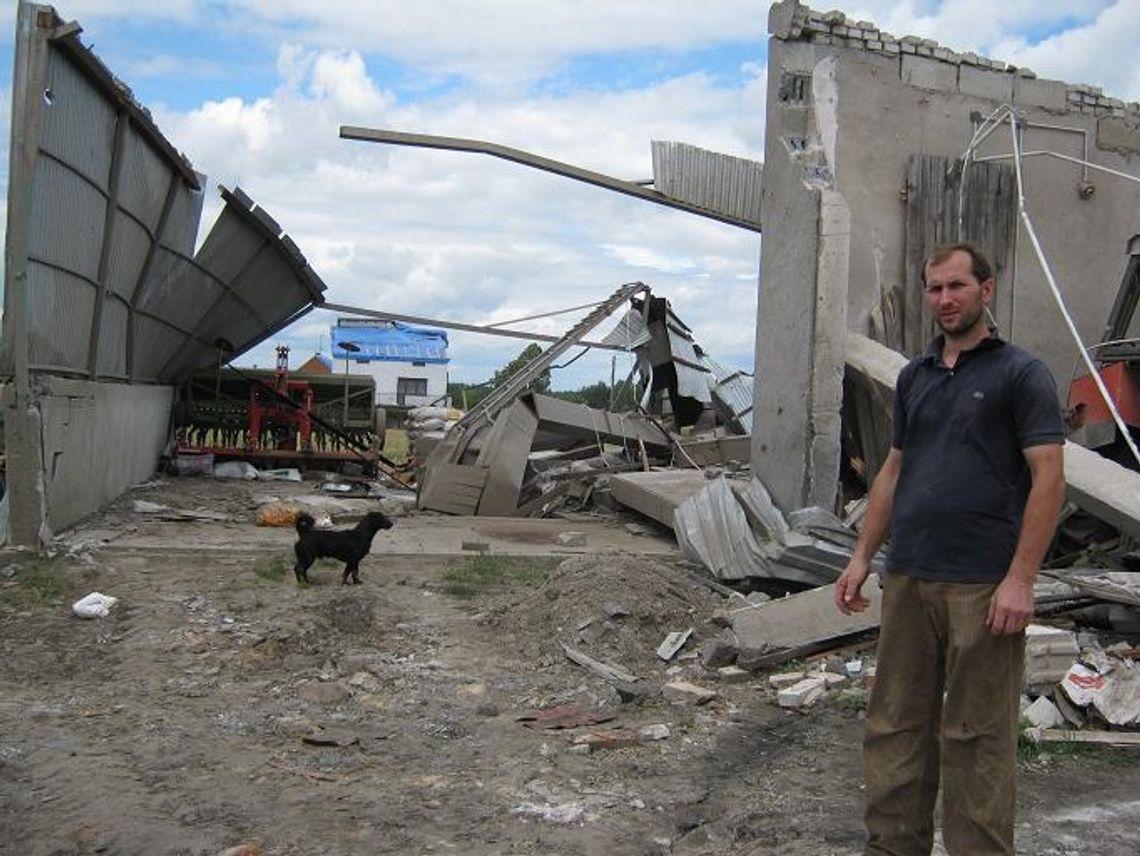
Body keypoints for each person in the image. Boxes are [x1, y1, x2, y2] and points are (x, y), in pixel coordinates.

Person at [835, 243, 1066, 856]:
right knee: (894, 728)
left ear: (985, 291)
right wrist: (862, 558)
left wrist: (1021, 579)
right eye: (934, 288)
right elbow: (893, 470)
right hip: (910, 576)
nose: (944, 300)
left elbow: (1049, 478)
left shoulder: (1020, 374)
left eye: (956, 286)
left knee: (978, 737)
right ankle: (891, 847)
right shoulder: (916, 377)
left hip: (983, 584)